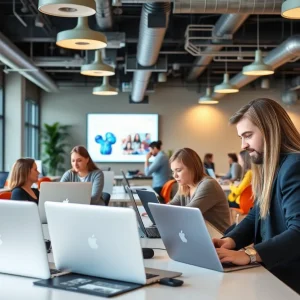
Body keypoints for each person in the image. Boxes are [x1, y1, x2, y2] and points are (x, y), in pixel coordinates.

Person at [213, 98, 300, 294]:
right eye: (241, 137)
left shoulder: (294, 166)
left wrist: (250, 254)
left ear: (270, 130)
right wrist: (231, 241)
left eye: (248, 135)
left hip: (289, 281)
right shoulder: (272, 167)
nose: (243, 145)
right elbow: (257, 214)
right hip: (275, 273)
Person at [169, 148, 231, 233]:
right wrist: (156, 211)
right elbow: (170, 206)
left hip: (219, 239)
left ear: (193, 168)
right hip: (199, 234)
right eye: (173, 171)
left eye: (178, 170)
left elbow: (188, 214)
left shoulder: (208, 184)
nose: (175, 176)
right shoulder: (184, 186)